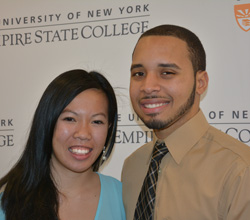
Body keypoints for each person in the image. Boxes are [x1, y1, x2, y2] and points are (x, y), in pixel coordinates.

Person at [121, 24, 250, 220]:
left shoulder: (239, 170)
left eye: (167, 73)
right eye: (139, 74)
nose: (148, 87)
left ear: (201, 83)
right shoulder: (132, 166)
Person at [0, 69, 126, 220]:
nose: (83, 134)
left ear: (109, 128)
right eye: (70, 119)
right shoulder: (6, 201)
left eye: (97, 121)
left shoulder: (123, 197)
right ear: (48, 122)